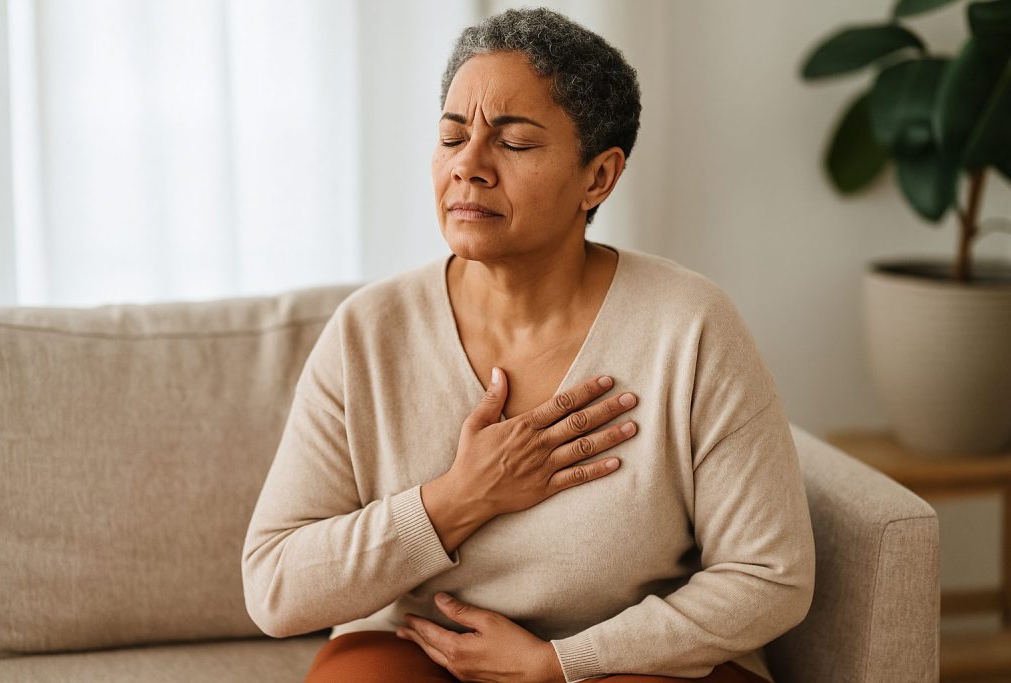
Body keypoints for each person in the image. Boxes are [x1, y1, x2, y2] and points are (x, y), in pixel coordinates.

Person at [241, 7, 815, 683]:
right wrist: (459, 498)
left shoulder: (689, 325)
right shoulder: (369, 330)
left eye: (513, 144)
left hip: (628, 663)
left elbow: (771, 575)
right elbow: (276, 587)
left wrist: (560, 661)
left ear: (598, 177)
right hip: (424, 657)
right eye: (453, 136)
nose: (470, 167)